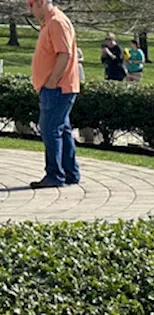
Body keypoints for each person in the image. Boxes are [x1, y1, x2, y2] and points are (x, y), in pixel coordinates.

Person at [26, 0, 80, 189]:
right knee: (61, 130)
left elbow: (64, 54)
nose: (29, 9)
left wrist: (52, 81)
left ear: (40, 3)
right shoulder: (49, 22)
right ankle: (70, 173)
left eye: (30, 4)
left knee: (50, 130)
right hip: (56, 88)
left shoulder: (56, 22)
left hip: (58, 88)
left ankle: (55, 175)